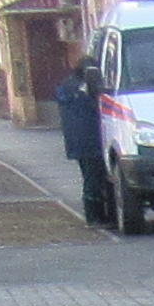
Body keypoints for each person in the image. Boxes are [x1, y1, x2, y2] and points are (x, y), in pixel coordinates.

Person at [53, 59, 113, 231]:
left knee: (91, 177)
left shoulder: (67, 86)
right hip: (91, 139)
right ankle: (95, 217)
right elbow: (92, 109)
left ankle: (96, 215)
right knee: (94, 179)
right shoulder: (83, 88)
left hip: (78, 141)